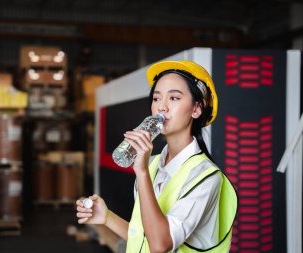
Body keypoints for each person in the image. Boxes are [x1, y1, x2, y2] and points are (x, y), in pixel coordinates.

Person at [76, 60, 238, 253]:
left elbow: (160, 245)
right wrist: (107, 217)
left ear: (196, 109)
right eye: (156, 98)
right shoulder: (153, 164)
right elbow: (144, 237)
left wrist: (141, 172)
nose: (162, 107)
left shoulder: (205, 177)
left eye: (174, 98)